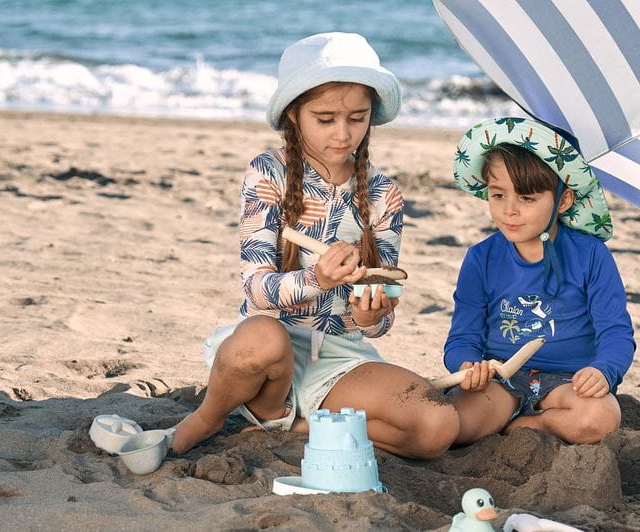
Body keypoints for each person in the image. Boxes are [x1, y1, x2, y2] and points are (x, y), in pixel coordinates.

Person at [171, 32, 460, 459]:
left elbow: (380, 322)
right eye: (325, 119)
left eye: (358, 118)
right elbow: (256, 289)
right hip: (268, 347)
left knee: (438, 425)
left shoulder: (384, 195)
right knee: (262, 340)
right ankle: (211, 417)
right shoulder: (268, 173)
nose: (343, 135)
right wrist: (318, 278)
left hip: (340, 356)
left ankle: (293, 426)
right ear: (294, 114)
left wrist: (370, 315)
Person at [444, 117, 635, 445]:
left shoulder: (591, 256)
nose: (510, 211)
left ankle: (524, 427)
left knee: (601, 419)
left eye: (527, 198)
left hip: (568, 384)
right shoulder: (481, 259)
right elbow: (463, 335)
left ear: (563, 200)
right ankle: (509, 415)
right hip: (499, 378)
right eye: (498, 195)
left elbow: (616, 332)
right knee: (451, 428)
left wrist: (604, 369)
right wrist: (467, 365)